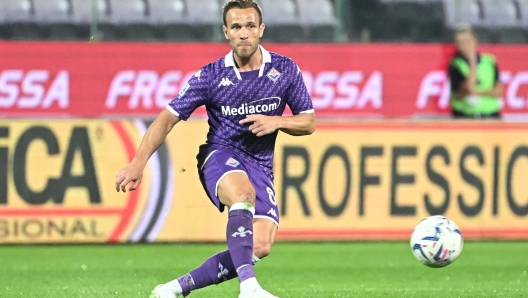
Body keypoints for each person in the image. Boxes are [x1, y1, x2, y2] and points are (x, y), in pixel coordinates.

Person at [114, 1, 315, 297]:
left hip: (259, 164)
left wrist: (277, 122)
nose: (243, 33)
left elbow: (308, 122)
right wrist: (138, 162)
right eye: (236, 27)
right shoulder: (210, 76)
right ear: (226, 32)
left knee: (259, 245)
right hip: (220, 155)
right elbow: (166, 118)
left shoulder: (284, 70)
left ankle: (173, 289)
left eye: (250, 26)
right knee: (243, 195)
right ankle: (249, 288)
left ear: (261, 29)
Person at [448, 25, 503, 119]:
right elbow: (467, 88)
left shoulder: (489, 61)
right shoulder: (455, 64)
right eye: (460, 42)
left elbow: (498, 90)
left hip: (490, 114)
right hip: (465, 115)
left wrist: (477, 93)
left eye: (467, 41)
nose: (464, 44)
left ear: (474, 41)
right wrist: (472, 61)